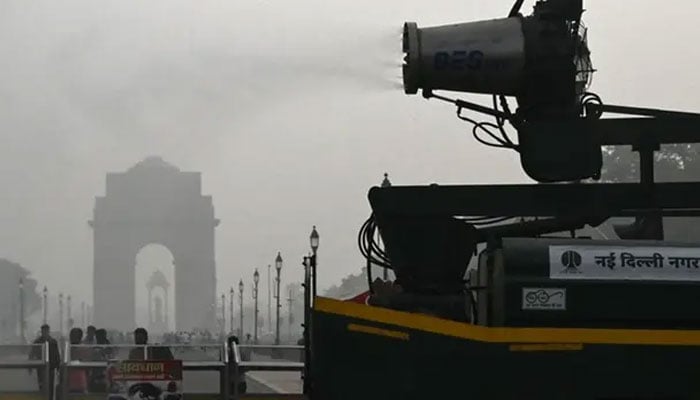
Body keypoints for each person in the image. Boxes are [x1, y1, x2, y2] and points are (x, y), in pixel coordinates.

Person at [28, 324, 60, 400]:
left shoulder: (53, 341)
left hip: (51, 368)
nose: (45, 332)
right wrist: (30, 365)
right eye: (43, 331)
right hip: (41, 367)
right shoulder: (37, 342)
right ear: (41, 331)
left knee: (50, 385)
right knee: (42, 384)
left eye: (46, 330)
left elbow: (56, 354)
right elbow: (32, 353)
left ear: (48, 331)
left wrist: (58, 366)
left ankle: (50, 398)